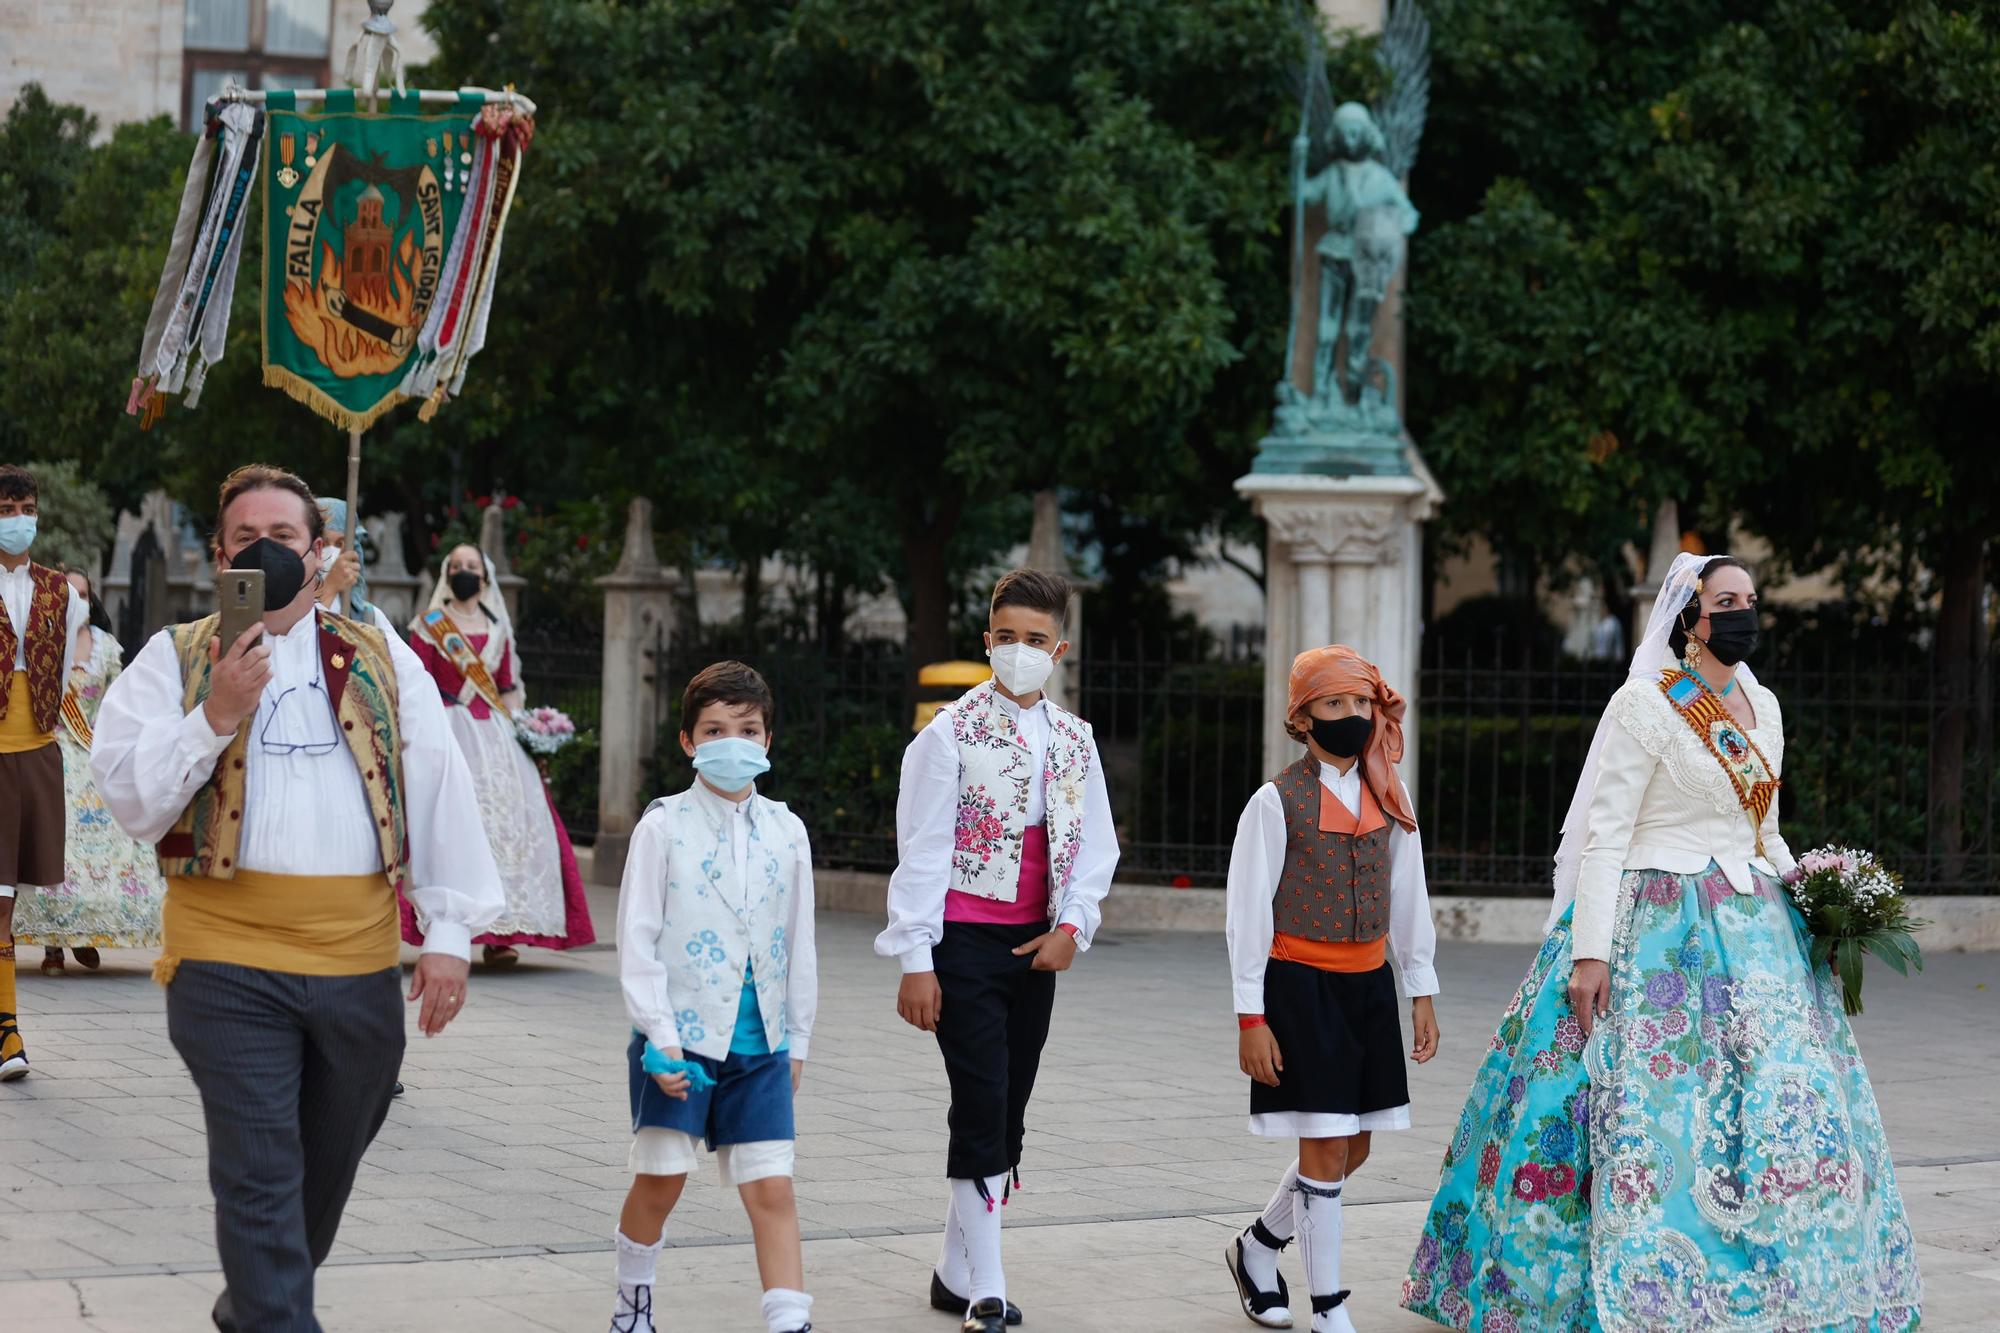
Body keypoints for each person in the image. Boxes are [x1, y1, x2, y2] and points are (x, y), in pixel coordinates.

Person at [1401, 553, 1923, 1332]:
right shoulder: (1648, 704)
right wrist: (1590, 951)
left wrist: (1817, 895)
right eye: (1726, 600)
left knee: (1770, 1107)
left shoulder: (1764, 704)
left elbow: (1765, 828)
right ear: (1692, 618)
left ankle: (1776, 1280)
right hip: (1657, 921)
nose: (1742, 611)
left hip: (1755, 931)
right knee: (1630, 1108)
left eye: (1751, 598)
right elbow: (1607, 835)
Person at [91, 464, 505, 1331]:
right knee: (258, 1171)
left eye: (285, 536)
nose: (266, 551)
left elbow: (435, 782)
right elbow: (131, 802)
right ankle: (278, 1312)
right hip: (222, 962)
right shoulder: (174, 657)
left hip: (357, 961)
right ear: (218, 554)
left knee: (318, 1173)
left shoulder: (383, 657)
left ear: (320, 552)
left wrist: (450, 930)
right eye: (247, 538)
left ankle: (254, 1303)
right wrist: (213, 715)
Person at [876, 568, 1120, 1333]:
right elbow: (920, 849)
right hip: (962, 946)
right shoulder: (949, 733)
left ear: (1060, 649)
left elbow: (1094, 847)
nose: (1020, 650)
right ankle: (987, 1287)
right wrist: (916, 956)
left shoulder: (1076, 740)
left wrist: (1074, 927)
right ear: (988, 640)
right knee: (981, 1102)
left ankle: (952, 1270)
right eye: (1006, 637)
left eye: (1036, 640)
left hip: (1035, 947)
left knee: (1008, 1110)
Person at [1224, 646, 1441, 1333]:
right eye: (1333, 704)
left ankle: (1258, 1246)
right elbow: (1246, 912)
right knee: (1322, 1142)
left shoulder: (1389, 798)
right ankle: (1329, 1305)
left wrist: (1420, 987)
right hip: (1299, 988)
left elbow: (1410, 896)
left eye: (1360, 703)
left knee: (1356, 1143)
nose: (1351, 716)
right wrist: (1250, 1015)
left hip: (1368, 987)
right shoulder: (1275, 800)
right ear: (1301, 717)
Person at [612, 660, 818, 1333]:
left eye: (749, 728)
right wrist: (661, 1040)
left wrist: (799, 1037)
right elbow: (637, 940)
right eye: (716, 729)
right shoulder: (663, 827)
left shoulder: (788, 830)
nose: (734, 741)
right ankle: (632, 1306)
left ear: (768, 739)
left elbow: (800, 942)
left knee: (773, 1187)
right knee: (662, 1181)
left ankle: (789, 1320)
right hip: (680, 1043)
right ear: (687, 741)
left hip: (761, 1044)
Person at [403, 543, 593, 964]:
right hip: (447, 729)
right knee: (450, 824)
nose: (464, 572)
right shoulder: (428, 625)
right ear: (446, 574)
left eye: (472, 566)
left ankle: (500, 934)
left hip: (496, 737)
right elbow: (419, 684)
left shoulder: (497, 631)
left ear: (485, 578)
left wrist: (527, 739)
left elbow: (506, 687)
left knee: (510, 828)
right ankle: (445, 927)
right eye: (456, 566)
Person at [14, 567, 167, 972]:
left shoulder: (107, 647)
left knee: (109, 843)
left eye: (83, 594)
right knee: (51, 843)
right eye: (69, 593)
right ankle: (52, 946)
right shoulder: (37, 643)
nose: (77, 601)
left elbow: (120, 704)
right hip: (50, 749)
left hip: (93, 752)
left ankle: (86, 933)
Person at [0, 464, 90, 1080]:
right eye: (6, 508)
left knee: (8, 896)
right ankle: (8, 1033)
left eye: (24, 506)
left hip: (34, 751)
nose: (17, 518)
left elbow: (58, 685)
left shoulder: (65, 592)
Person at [315, 497, 399, 635]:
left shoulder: (369, 617)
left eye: (340, 544)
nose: (331, 552)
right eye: (323, 543)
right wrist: (329, 588)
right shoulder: (285, 611)